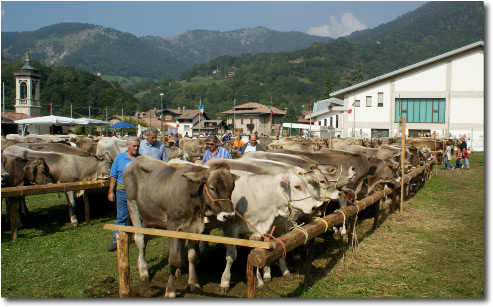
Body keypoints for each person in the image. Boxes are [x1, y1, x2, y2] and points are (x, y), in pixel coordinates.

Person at [107, 136, 141, 252]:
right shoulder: (119, 158)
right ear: (127, 146)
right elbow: (113, 175)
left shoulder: (141, 159)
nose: (136, 148)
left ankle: (139, 238)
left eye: (138, 146)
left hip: (138, 193)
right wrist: (110, 191)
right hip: (122, 191)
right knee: (121, 216)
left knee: (138, 216)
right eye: (134, 146)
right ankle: (117, 240)